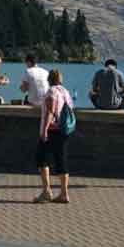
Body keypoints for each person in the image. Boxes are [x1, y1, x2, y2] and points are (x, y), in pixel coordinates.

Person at [34, 69, 73, 204]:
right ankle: (64, 193)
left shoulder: (51, 92)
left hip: (51, 130)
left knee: (42, 159)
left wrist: (44, 130)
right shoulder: (65, 92)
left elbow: (50, 112)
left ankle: (47, 191)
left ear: (49, 79)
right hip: (64, 130)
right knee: (61, 160)